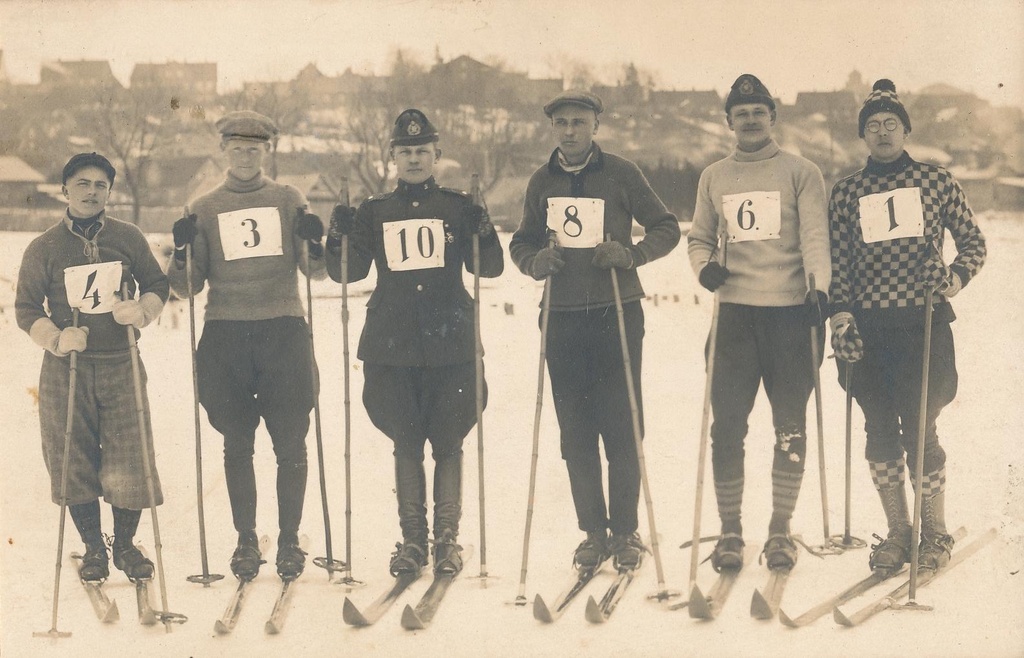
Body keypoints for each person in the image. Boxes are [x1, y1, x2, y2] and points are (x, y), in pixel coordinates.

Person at [325, 109, 504, 577]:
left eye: (422, 151)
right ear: (392, 158)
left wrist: (484, 231)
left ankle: (446, 540)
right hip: (393, 346)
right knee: (406, 442)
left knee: (449, 441)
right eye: (405, 152)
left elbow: (490, 269)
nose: (414, 159)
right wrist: (338, 233)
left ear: (436, 155)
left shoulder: (458, 206)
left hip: (452, 345)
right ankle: (412, 541)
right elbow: (347, 272)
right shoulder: (375, 210)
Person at [509, 90, 680, 572]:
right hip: (561, 316)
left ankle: (626, 531)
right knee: (576, 431)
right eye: (561, 122)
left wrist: (632, 254)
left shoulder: (622, 173)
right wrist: (535, 262)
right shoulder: (541, 180)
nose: (569, 131)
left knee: (622, 426)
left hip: (616, 311)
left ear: (596, 125)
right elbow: (520, 243)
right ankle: (593, 533)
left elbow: (666, 227)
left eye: (579, 122)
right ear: (552, 128)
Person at [828, 79, 986, 573]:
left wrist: (954, 280)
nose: (881, 133)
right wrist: (841, 313)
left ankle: (934, 531)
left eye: (890, 124)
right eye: (872, 126)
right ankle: (898, 532)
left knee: (921, 426)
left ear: (905, 130)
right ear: (863, 136)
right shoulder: (847, 191)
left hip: (923, 322)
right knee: (878, 427)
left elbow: (973, 244)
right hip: (871, 327)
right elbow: (839, 263)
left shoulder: (936, 181)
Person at [167, 110, 326, 581]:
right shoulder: (203, 206)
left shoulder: (287, 197)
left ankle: (290, 539)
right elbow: (187, 287)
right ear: (223, 151)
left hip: (283, 328)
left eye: (254, 148)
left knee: (290, 439)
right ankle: (244, 539)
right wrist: (180, 253)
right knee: (237, 441)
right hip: (226, 333)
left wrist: (315, 243)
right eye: (236, 148)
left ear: (268, 151)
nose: (244, 156)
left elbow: (314, 272)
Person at [687, 74, 830, 573]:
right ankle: (730, 530)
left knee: (790, 426)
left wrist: (819, 288)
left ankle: (779, 531)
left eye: (758, 112)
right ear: (729, 121)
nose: (750, 120)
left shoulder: (801, 171)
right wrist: (705, 267)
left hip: (791, 315)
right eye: (740, 113)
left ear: (773, 118)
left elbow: (815, 235)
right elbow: (699, 237)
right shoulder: (714, 176)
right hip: (734, 317)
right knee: (727, 425)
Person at [16, 152, 169, 583]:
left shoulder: (128, 236)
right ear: (65, 190)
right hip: (68, 369)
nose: (91, 192)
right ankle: (92, 546)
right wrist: (56, 338)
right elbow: (26, 307)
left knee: (130, 454)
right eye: (82, 184)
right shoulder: (43, 246)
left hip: (121, 361)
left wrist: (141, 310)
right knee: (71, 455)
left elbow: (158, 283)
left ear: (109, 192)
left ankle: (124, 545)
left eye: (100, 185)